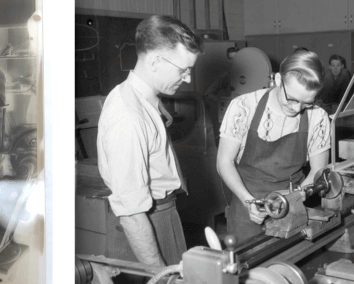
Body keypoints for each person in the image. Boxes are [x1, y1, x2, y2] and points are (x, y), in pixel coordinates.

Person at [97, 15, 202, 266]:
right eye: (183, 69)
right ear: (155, 61)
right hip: (144, 225)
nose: (187, 78)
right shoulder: (129, 116)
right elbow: (132, 214)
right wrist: (157, 272)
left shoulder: (144, 99)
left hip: (162, 214)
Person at [217, 50, 331, 243]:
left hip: (293, 204)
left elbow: (318, 170)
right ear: (278, 79)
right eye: (292, 99)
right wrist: (248, 201)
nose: (296, 109)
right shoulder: (243, 107)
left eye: (306, 103)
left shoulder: (317, 116)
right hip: (247, 202)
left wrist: (294, 198)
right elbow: (224, 162)